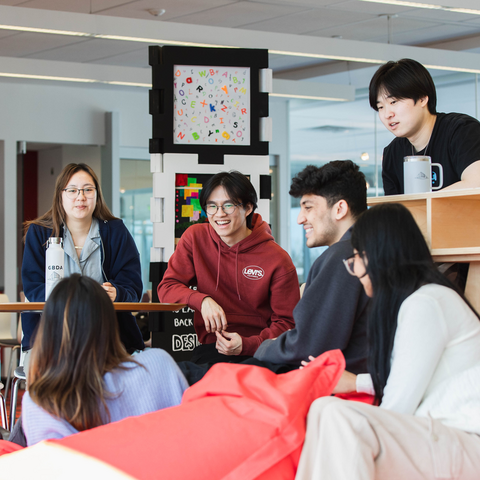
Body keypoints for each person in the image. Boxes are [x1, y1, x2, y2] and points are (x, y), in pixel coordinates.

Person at [295, 203, 480, 479]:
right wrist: (356, 383)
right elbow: (412, 380)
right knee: (324, 409)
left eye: (356, 257)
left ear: (377, 256)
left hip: (464, 441)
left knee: (341, 418)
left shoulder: (426, 303)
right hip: (441, 438)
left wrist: (358, 396)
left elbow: (398, 407)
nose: (354, 269)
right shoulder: (421, 301)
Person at [21, 275, 188, 446]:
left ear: (49, 332)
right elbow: (189, 435)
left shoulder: (38, 403)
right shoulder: (159, 365)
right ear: (110, 323)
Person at [158, 171, 299, 364]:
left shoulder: (277, 258)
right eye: (212, 206)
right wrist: (203, 301)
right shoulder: (195, 237)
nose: (219, 214)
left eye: (229, 205)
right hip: (212, 350)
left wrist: (249, 344)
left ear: (248, 208)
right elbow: (167, 287)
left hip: (263, 352)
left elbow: (287, 323)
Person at [22, 163, 144, 374]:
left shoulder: (116, 232)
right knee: (59, 371)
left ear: (97, 194)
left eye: (88, 190)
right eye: (72, 190)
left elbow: (132, 287)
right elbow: (33, 289)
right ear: (61, 195)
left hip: (107, 337)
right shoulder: (40, 233)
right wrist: (71, 299)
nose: (81, 197)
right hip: (52, 336)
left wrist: (118, 292)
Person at [252, 161, 369, 374]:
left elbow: (308, 347)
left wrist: (263, 347)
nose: (300, 218)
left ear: (340, 208)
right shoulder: (371, 246)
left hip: (330, 381)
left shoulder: (342, 256)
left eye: (308, 207)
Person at [369, 58, 480, 195]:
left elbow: (476, 185)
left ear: (422, 98)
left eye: (394, 102)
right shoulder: (393, 153)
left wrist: (423, 202)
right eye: (380, 107)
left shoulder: (462, 131)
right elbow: (395, 211)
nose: (387, 114)